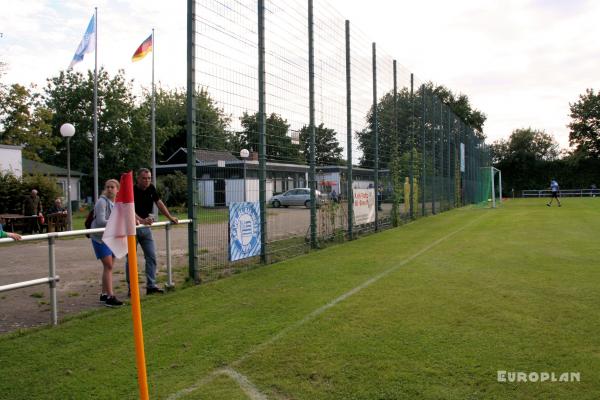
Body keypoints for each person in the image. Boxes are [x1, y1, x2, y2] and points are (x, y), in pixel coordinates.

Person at [125, 168, 179, 295]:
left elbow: (159, 203)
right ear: (138, 179)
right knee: (131, 260)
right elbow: (128, 209)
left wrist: (170, 217)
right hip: (132, 229)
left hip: (146, 229)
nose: (147, 181)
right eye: (144, 178)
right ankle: (131, 289)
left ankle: (151, 286)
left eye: (149, 178)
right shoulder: (131, 190)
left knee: (151, 257)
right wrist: (142, 220)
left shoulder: (151, 189)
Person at [90, 179, 123, 307]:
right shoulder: (101, 202)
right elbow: (100, 221)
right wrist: (117, 222)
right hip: (99, 237)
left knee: (108, 267)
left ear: (117, 189)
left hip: (111, 236)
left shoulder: (115, 203)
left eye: (112, 187)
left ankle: (104, 294)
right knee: (108, 266)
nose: (110, 189)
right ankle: (110, 296)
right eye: (108, 187)